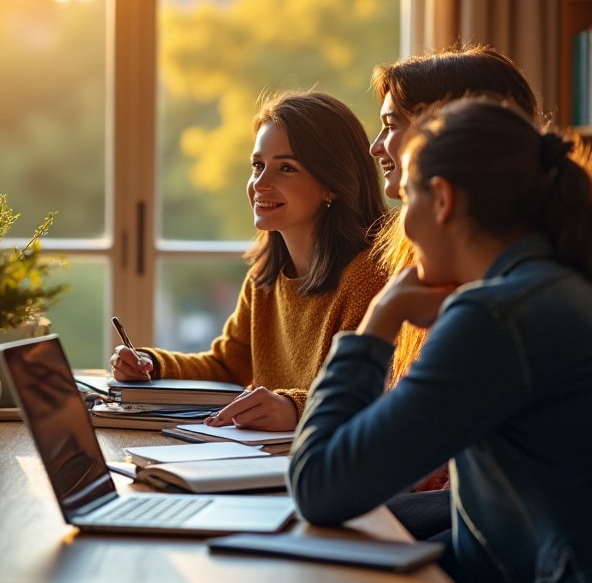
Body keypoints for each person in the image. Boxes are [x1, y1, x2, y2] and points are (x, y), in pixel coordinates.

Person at [290, 97, 592, 583]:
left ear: (443, 199)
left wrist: (376, 324)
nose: (403, 226)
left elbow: (318, 485)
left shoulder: (498, 316)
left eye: (407, 196)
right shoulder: (557, 288)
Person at [110, 92, 387, 431]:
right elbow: (226, 366)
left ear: (332, 185)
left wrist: (294, 408)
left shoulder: (369, 277)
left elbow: (371, 395)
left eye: (286, 168)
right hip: (271, 456)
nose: (260, 183)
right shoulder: (264, 278)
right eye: (258, 166)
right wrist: (152, 364)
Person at [368, 45, 543, 383]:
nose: (375, 146)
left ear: (441, 130)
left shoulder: (494, 311)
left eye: (390, 125)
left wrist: (378, 321)